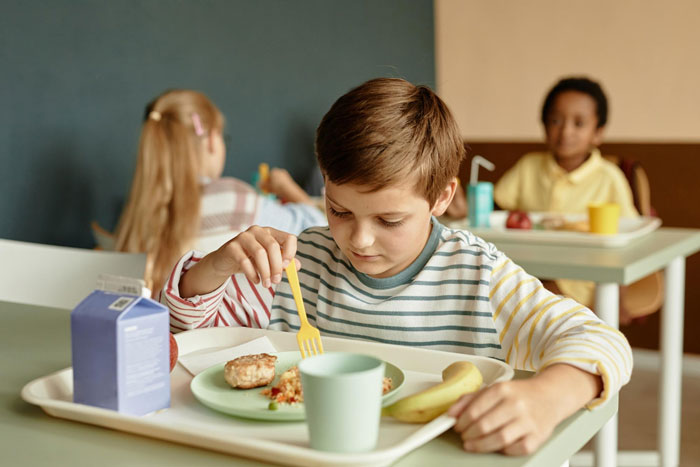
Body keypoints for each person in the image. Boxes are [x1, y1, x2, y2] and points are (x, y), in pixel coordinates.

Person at [162, 78, 631, 455]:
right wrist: (215, 267)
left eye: (389, 220)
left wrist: (546, 399)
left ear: (442, 198)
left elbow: (602, 341)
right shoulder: (302, 263)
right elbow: (194, 335)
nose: (359, 240)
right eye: (339, 210)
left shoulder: (477, 276)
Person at [114, 89, 325, 296]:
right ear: (213, 140)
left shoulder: (136, 214)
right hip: (218, 329)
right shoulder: (233, 197)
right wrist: (290, 189)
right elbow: (320, 230)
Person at [493, 77, 639, 316]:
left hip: (585, 277)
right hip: (529, 269)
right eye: (555, 120)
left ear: (598, 132)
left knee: (530, 301)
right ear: (544, 126)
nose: (566, 131)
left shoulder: (609, 178)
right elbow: (494, 210)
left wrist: (620, 295)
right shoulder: (529, 166)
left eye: (579, 123)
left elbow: (627, 238)